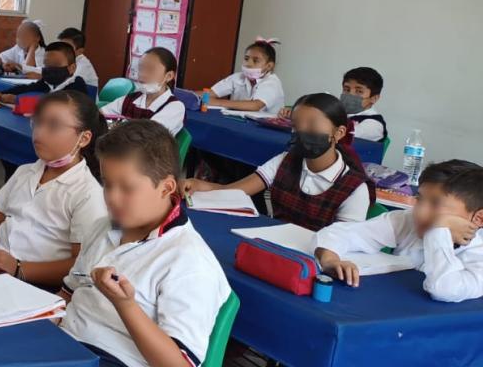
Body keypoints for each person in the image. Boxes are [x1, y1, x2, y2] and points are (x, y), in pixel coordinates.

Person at [60, 120, 231, 367]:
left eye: (127, 188)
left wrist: (125, 305)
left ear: (166, 188)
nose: (112, 198)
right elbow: (69, 294)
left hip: (113, 359)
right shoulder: (105, 227)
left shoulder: (190, 262)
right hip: (66, 342)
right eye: (107, 184)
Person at [0, 91, 108, 287]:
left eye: (53, 126)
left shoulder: (87, 192)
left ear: (84, 138)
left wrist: (19, 268)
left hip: (35, 285)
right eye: (38, 122)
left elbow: (81, 264)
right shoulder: (24, 172)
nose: (40, 133)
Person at [185, 93, 373, 229]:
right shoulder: (286, 160)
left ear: (339, 133)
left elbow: (345, 241)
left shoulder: (354, 188)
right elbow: (238, 191)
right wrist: (199, 185)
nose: (302, 132)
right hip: (274, 248)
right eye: (296, 125)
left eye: (312, 124)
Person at [315, 160, 483, 302]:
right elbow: (341, 233)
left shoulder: (479, 258)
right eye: (420, 199)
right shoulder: (408, 220)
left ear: (479, 219)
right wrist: (330, 260)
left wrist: (439, 230)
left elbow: (443, 288)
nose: (420, 211)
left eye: (435, 204)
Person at [284, 67, 387, 143]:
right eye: (346, 89)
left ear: (374, 98)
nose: (350, 94)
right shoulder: (340, 111)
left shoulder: (374, 125)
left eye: (359, 91)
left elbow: (336, 134)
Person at [99, 47, 185, 137]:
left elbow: (147, 136)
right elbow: (100, 114)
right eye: (141, 68)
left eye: (151, 69)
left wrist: (117, 125)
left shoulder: (175, 107)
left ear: (169, 76)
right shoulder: (131, 99)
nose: (142, 75)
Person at [0, 41, 88, 104]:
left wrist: (17, 100)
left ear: (72, 68)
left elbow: (55, 103)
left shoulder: (77, 84)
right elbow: (26, 88)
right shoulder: (48, 82)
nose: (50, 69)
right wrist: (1, 93)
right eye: (47, 65)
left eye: (55, 65)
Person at [206, 38, 285, 113]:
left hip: (266, 125)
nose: (248, 64)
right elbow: (210, 93)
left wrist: (217, 102)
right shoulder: (238, 77)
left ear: (269, 66)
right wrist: (195, 95)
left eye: (255, 61)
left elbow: (255, 105)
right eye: (246, 59)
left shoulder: (272, 82)